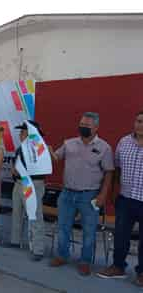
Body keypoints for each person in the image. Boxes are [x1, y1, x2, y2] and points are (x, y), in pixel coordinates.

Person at [49, 112, 114, 276]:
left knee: (89, 231)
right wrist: (47, 151)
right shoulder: (69, 143)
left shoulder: (104, 148)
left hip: (89, 195)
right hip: (67, 193)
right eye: (82, 124)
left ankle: (85, 261)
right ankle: (62, 255)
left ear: (96, 127)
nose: (83, 127)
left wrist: (103, 195)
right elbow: (56, 157)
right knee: (63, 227)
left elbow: (109, 173)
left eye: (87, 125)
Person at [97, 110, 143, 287]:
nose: (140, 124)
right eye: (138, 120)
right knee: (121, 236)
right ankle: (118, 267)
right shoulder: (124, 142)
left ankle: (142, 273)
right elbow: (116, 169)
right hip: (126, 198)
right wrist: (114, 192)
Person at [8, 121, 48, 261]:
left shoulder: (39, 149)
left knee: (35, 216)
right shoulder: (20, 148)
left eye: (24, 132)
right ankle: (15, 241)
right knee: (17, 212)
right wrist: (15, 171)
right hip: (19, 183)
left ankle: (38, 249)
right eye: (21, 132)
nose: (21, 134)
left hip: (33, 184)